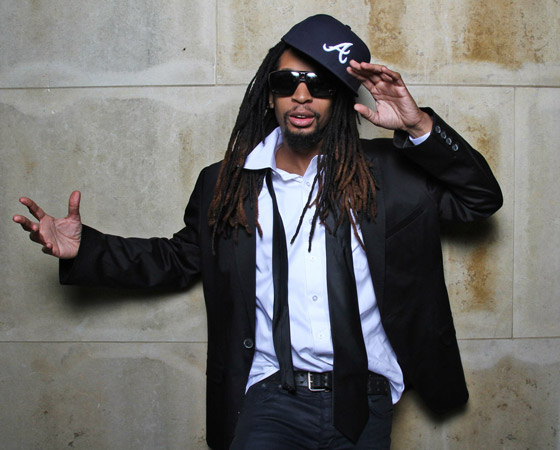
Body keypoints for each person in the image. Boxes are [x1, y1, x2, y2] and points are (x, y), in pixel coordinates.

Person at [13, 14, 502, 450]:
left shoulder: (389, 174)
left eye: (319, 84)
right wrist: (87, 248)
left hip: (366, 397)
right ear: (270, 96)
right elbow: (178, 259)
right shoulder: (225, 185)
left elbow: (479, 200)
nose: (302, 95)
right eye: (287, 82)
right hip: (271, 396)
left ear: (339, 98)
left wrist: (418, 126)